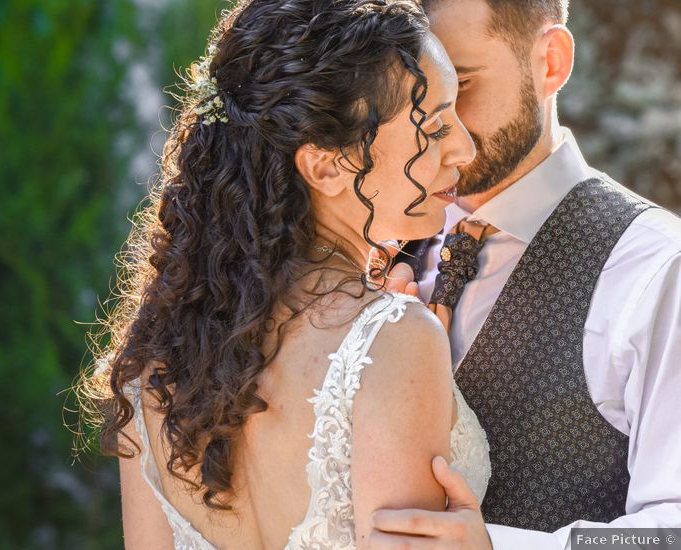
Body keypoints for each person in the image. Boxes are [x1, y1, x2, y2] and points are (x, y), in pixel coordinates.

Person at [77, 0, 491, 548]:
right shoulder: (392, 338)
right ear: (326, 166)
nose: (465, 146)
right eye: (434, 127)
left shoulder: (156, 361)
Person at [370, 0, 681, 548]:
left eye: (461, 84)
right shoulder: (378, 236)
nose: (434, 130)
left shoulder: (659, 269)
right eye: (411, 98)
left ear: (552, 62)